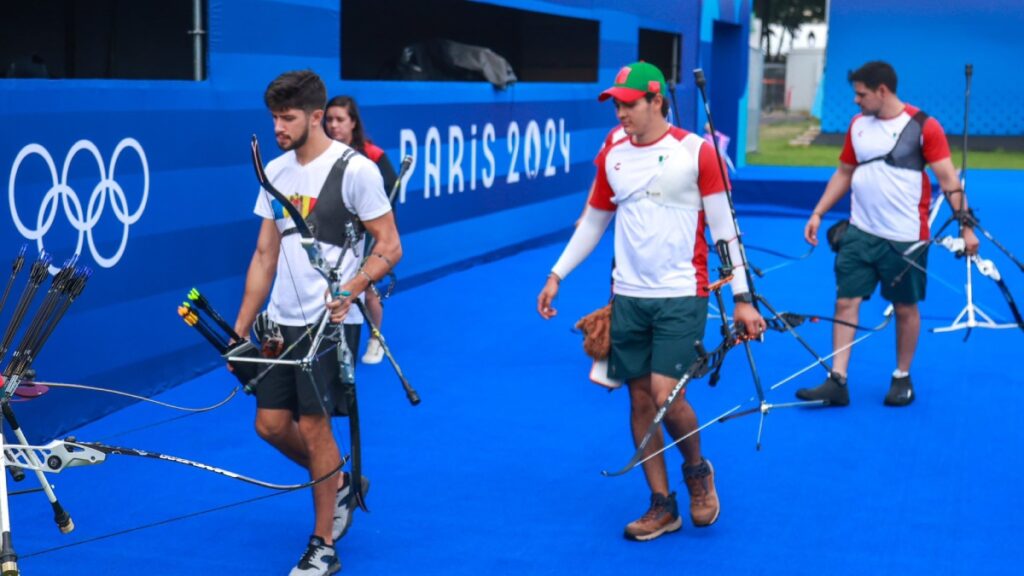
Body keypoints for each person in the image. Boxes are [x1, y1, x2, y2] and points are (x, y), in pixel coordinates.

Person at [536, 61, 765, 541]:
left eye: (629, 103)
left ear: (656, 100)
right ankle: (662, 505)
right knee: (640, 399)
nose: (621, 112)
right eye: (616, 104)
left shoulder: (697, 153)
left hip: (683, 292)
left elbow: (725, 230)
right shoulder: (613, 155)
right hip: (629, 297)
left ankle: (698, 469)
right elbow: (595, 221)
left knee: (666, 395)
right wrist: (557, 273)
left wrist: (743, 299)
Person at [232, 70, 402, 576]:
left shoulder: (356, 170)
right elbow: (265, 254)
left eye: (287, 118)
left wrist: (350, 289)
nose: (278, 128)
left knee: (314, 424)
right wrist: (239, 331)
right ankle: (339, 482)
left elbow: (390, 246)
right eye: (274, 119)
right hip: (280, 324)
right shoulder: (276, 172)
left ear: (314, 116)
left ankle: (323, 544)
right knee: (270, 426)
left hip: (332, 323)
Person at [796, 60, 978, 408]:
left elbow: (949, 182)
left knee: (905, 307)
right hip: (860, 233)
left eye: (861, 94)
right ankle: (838, 379)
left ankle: (901, 376)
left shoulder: (924, 126)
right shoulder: (858, 126)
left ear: (882, 91)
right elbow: (844, 173)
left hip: (906, 238)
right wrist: (818, 212)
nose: (856, 101)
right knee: (845, 301)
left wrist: (966, 228)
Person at [324, 96, 397, 365]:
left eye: (340, 120)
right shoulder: (323, 155)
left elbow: (388, 200)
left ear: (353, 122)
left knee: (368, 289)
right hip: (335, 239)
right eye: (329, 120)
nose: (333, 126)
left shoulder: (373, 156)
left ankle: (376, 338)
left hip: (367, 236)